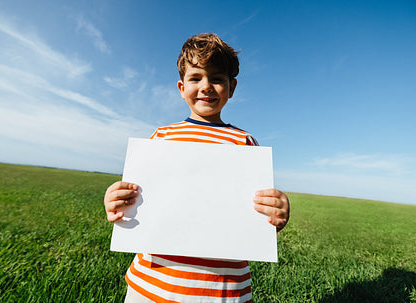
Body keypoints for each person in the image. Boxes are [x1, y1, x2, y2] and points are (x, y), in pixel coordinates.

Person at [104, 33, 290, 303]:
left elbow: (255, 218)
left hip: (223, 290)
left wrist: (275, 215)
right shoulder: (162, 137)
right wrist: (116, 201)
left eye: (217, 78)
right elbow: (138, 198)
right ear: (181, 88)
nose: (206, 86)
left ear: (232, 87)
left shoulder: (244, 142)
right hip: (153, 285)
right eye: (195, 78)